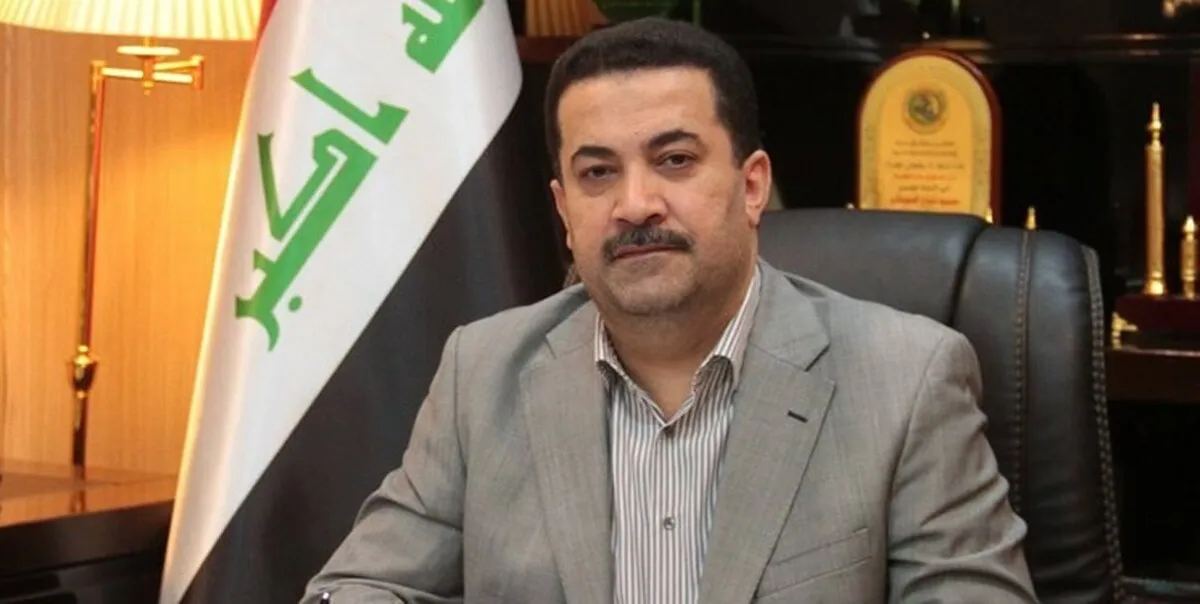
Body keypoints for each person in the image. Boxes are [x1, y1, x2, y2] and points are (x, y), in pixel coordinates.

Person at [302, 17, 1038, 604]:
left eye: (675, 160)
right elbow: (364, 582)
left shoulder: (905, 381)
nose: (635, 204)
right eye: (598, 172)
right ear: (564, 210)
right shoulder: (483, 373)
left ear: (752, 187)